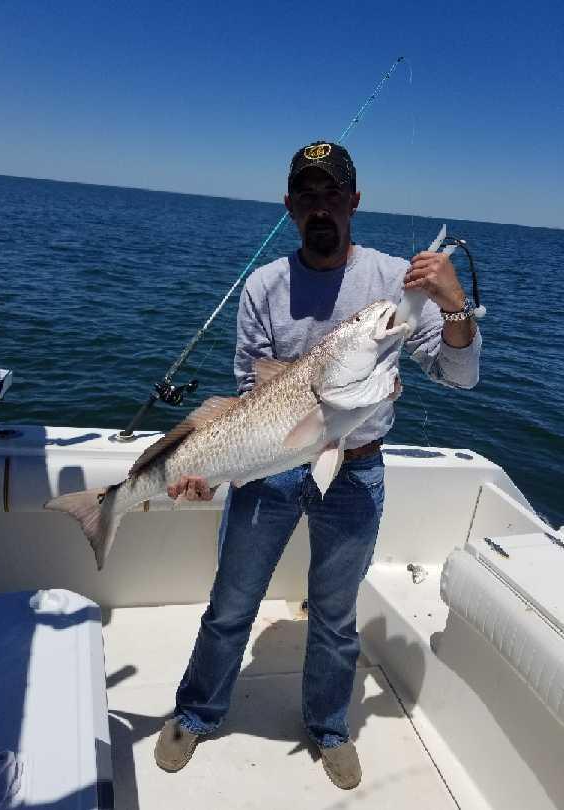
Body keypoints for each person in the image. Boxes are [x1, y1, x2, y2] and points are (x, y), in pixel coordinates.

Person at [154, 141, 481, 789]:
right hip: (272, 461)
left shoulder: (393, 282)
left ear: (354, 201)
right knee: (229, 605)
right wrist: (207, 468)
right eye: (306, 195)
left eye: (332, 192)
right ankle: (196, 711)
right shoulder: (263, 287)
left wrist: (452, 305)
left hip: (354, 470)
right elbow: (252, 397)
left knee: (333, 616)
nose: (319, 206)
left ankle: (330, 726)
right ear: (289, 207)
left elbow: (457, 373)